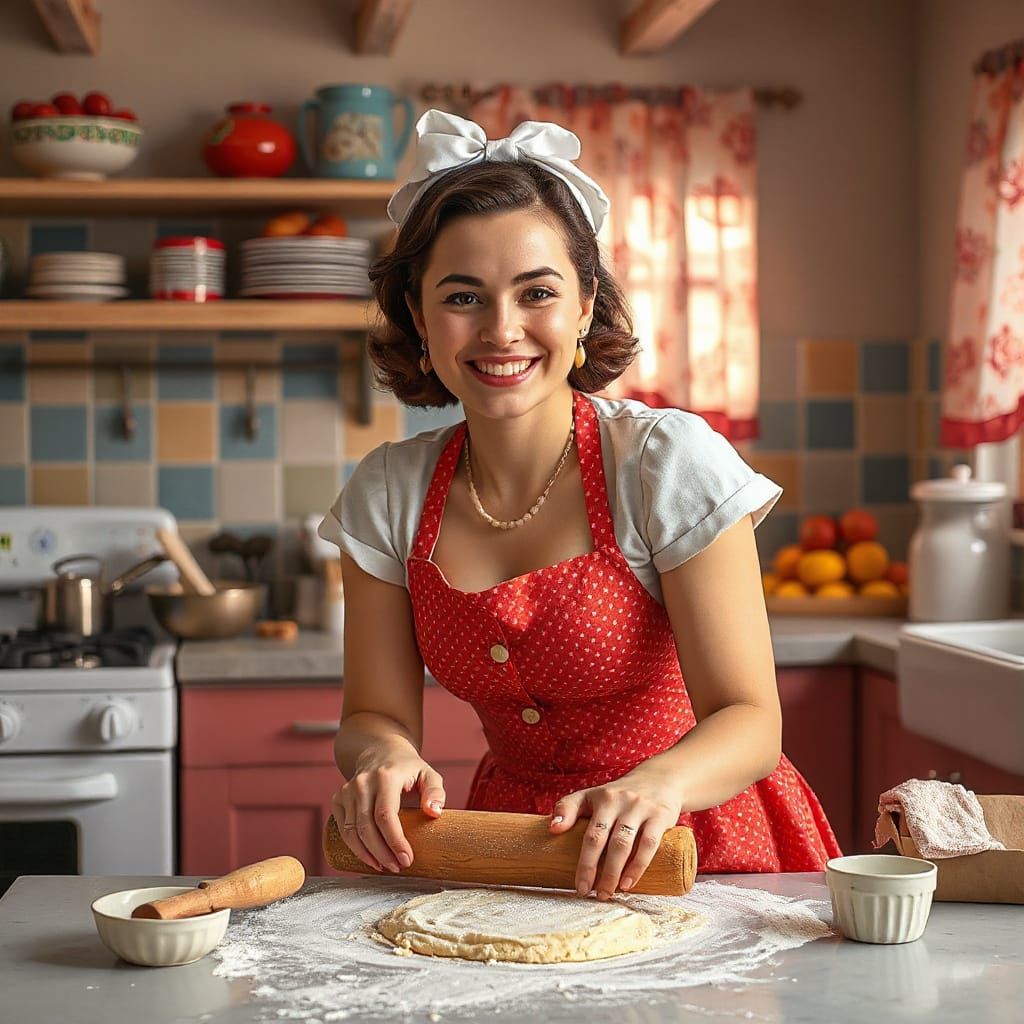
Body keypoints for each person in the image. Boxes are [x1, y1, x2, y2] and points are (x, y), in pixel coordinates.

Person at [318, 109, 841, 900]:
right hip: (516, 851)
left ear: (585, 305)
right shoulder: (389, 494)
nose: (502, 330)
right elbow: (372, 715)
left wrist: (656, 785)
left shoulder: (664, 463)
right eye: (463, 297)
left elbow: (749, 720)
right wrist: (382, 756)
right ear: (419, 318)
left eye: (537, 293)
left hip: (693, 842)